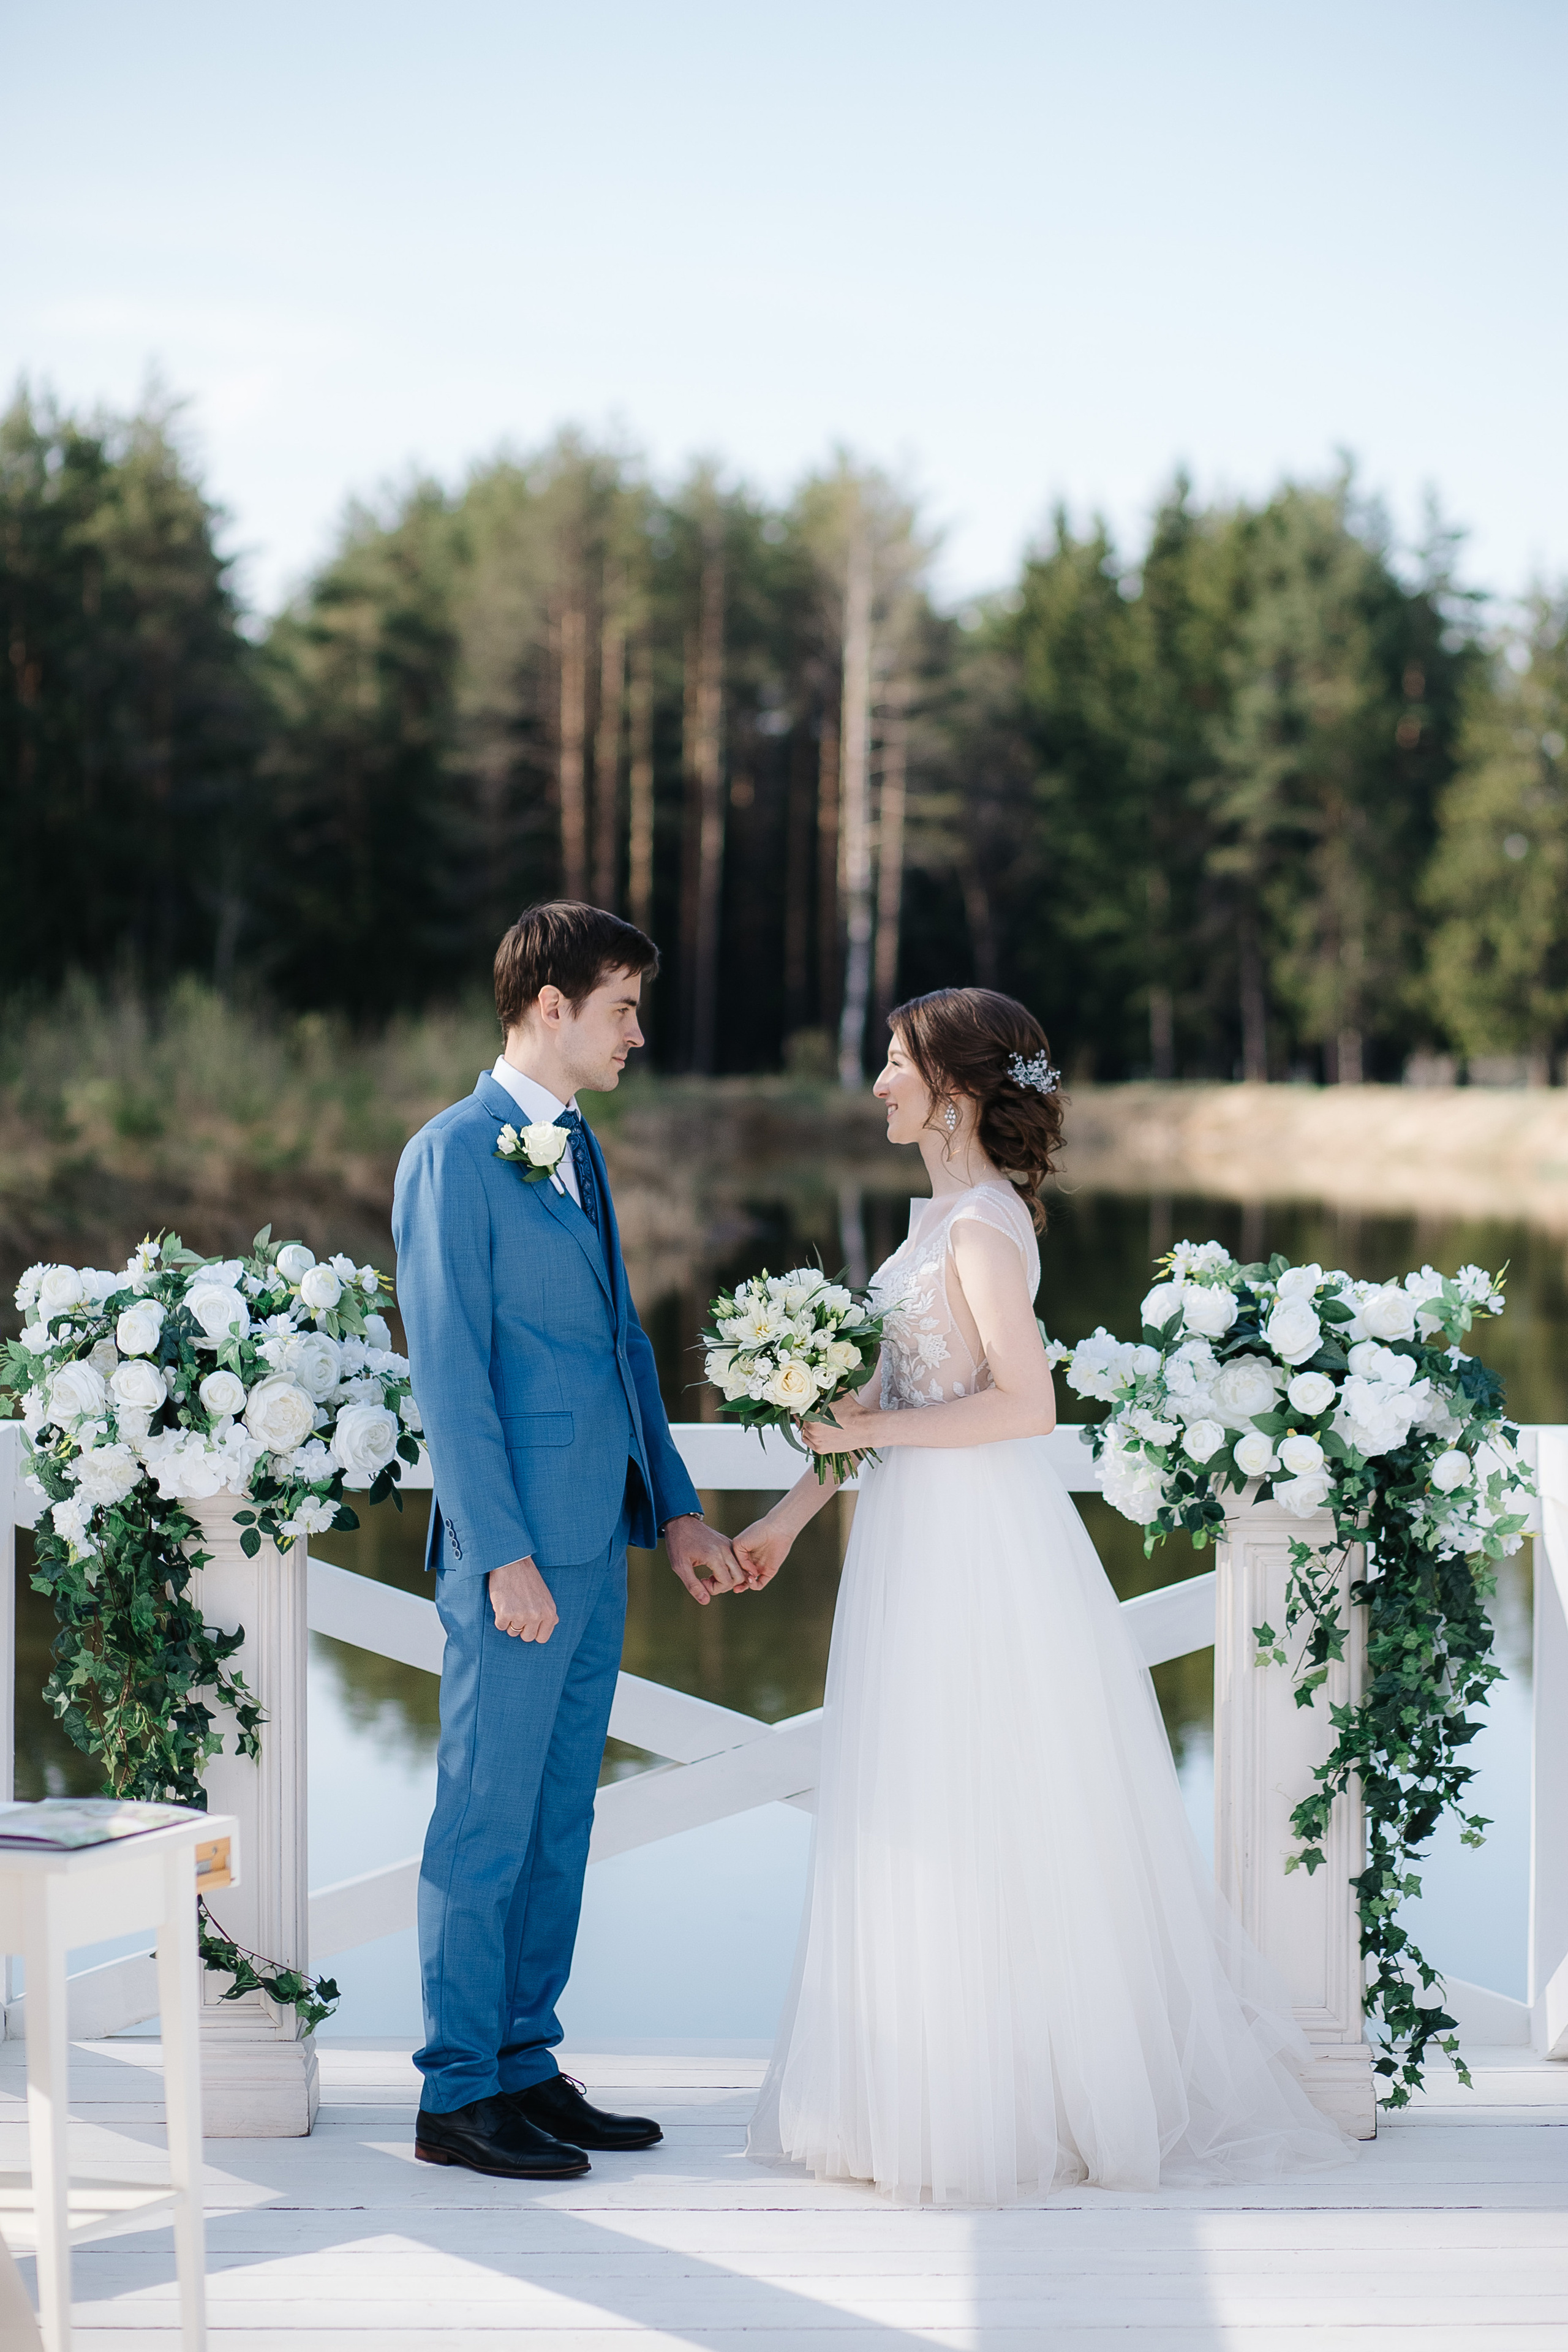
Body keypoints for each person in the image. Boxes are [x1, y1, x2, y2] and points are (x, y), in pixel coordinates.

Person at [733, 986, 1350, 2204]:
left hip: (971, 1546)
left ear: (955, 1088)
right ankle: (921, 2089)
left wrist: (860, 1424)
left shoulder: (976, 1227)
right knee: (918, 1797)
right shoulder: (937, 1219)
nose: (878, 1085)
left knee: (978, 1801)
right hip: (914, 1528)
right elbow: (894, 1414)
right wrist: (790, 1516)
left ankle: (993, 2106)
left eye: (895, 1064)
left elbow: (1024, 1406)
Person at [393, 900, 745, 2180]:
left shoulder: (576, 1149)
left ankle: (527, 2067)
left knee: (556, 1818)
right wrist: (498, 1552)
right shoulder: (450, 1155)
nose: (636, 1033)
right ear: (551, 1006)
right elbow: (449, 1372)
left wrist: (681, 1506)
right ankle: (455, 2097)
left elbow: (621, 1345)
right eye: (623, 1008)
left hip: (599, 1534)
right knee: (483, 1820)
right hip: (517, 1557)